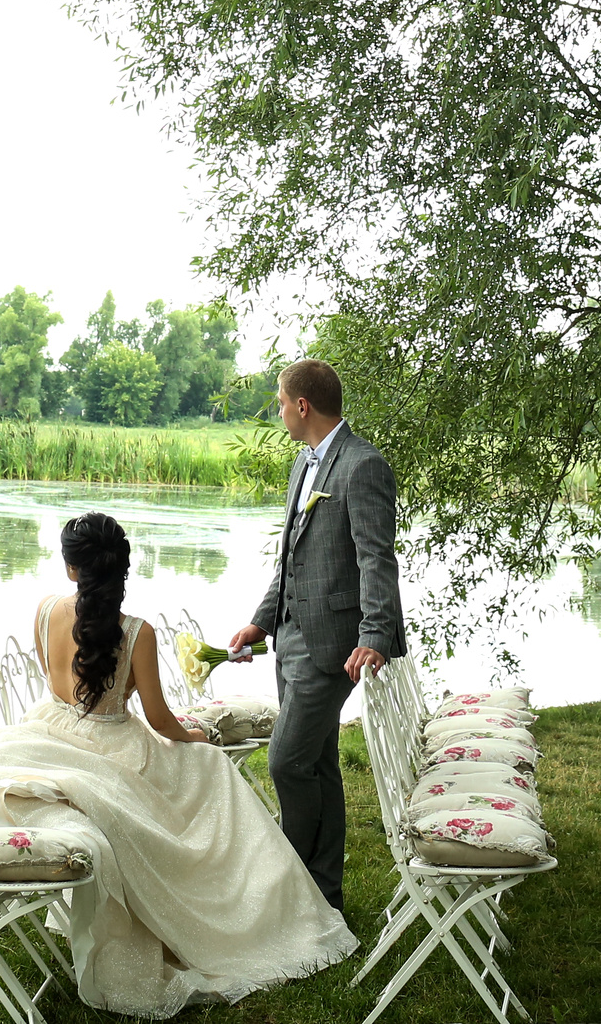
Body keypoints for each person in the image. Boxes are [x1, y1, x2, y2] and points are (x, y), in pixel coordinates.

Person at [0, 511, 357, 1017]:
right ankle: (248, 906)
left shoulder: (42, 612)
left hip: (46, 733)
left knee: (191, 781)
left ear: (71, 569)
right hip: (113, 743)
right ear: (122, 568)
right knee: (211, 771)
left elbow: (58, 684)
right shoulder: (136, 632)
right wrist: (193, 736)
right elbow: (161, 720)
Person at [226, 358, 405, 913]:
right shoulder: (304, 465)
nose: (279, 410)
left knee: (285, 761)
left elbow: (377, 560)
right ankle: (323, 897)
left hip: (335, 646)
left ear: (302, 405)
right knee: (319, 763)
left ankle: (289, 890)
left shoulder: (362, 466)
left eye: (280, 401)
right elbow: (291, 558)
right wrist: (262, 618)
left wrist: (374, 634)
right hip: (288, 639)